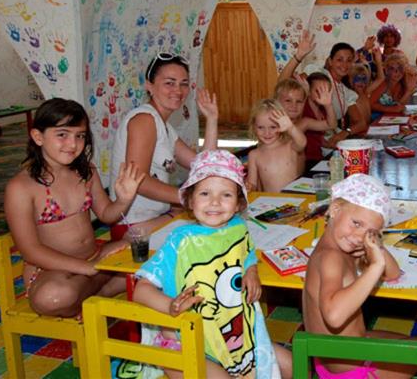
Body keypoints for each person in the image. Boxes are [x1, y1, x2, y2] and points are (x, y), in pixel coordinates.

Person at [133, 150, 291, 378]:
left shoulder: (238, 228)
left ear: (238, 204)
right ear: (190, 200)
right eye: (205, 193)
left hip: (234, 338)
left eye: (226, 195)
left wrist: (251, 271)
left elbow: (247, 252)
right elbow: (140, 291)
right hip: (187, 341)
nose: (215, 202)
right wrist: (171, 306)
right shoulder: (181, 242)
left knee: (289, 363)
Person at [4, 98, 145, 317]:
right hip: (51, 272)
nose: (72, 144)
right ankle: (101, 289)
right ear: (38, 137)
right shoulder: (20, 187)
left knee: (145, 256)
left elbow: (106, 215)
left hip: (93, 258)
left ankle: (95, 296)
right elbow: (30, 251)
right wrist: (90, 268)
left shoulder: (86, 172)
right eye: (62, 134)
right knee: (53, 297)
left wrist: (123, 200)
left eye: (80, 136)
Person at [303, 174, 417, 379]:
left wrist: (375, 247)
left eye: (370, 232)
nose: (358, 236)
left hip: (330, 356)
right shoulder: (330, 257)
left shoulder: (340, 246)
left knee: (405, 339)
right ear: (335, 209)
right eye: (356, 223)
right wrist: (375, 266)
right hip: (351, 371)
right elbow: (334, 317)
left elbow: (393, 273)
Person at [110, 53, 219, 240]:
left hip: (157, 217)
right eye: (169, 83)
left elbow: (204, 165)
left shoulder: (164, 126)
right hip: (133, 226)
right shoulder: (144, 120)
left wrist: (212, 119)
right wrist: (188, 197)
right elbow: (139, 181)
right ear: (149, 85)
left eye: (184, 84)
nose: (178, 90)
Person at [278, 30, 368, 148]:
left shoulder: (347, 92)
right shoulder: (317, 74)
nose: (344, 64)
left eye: (349, 60)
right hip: (305, 139)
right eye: (340, 59)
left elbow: (361, 123)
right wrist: (298, 56)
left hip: (330, 142)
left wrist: (344, 133)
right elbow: (282, 84)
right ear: (330, 61)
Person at [274, 77, 336, 171]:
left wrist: (328, 105)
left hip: (301, 175)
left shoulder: (304, 123)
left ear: (304, 103)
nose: (294, 105)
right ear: (276, 101)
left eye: (299, 101)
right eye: (288, 100)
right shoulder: (270, 124)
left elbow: (331, 125)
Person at [246, 99, 307, 192]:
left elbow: (302, 143)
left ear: (281, 126)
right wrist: (249, 187)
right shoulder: (254, 154)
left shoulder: (290, 146)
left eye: (273, 127)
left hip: (294, 198)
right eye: (261, 127)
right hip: (271, 200)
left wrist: (291, 128)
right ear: (254, 127)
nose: (267, 133)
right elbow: (252, 184)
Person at [349, 51, 385, 124]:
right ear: (351, 80)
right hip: (358, 130)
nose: (361, 82)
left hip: (369, 127)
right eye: (357, 79)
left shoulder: (366, 92)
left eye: (363, 79)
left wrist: (378, 61)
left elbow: (381, 78)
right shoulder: (350, 96)